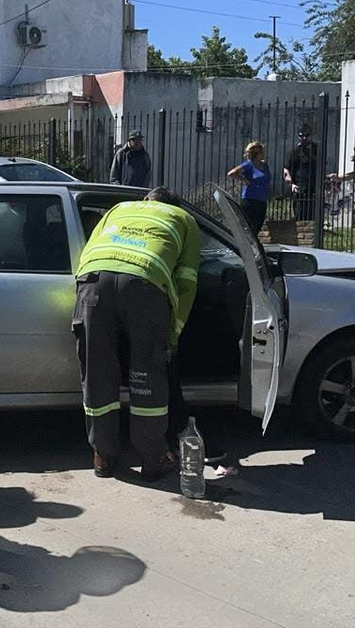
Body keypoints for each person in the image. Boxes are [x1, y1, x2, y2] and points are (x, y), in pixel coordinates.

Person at [72, 186, 201, 482]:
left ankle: (102, 456)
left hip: (94, 281)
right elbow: (187, 282)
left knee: (98, 370)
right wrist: (173, 333)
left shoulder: (119, 209)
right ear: (173, 205)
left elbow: (86, 255)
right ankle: (153, 458)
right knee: (147, 374)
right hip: (145, 284)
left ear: (146, 200)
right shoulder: (184, 218)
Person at [227, 141, 272, 237]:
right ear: (255, 154)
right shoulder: (248, 165)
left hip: (262, 200)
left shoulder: (265, 165)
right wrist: (244, 179)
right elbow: (231, 173)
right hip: (250, 199)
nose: (263, 154)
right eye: (261, 152)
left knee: (258, 224)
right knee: (249, 226)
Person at [283, 125, 317, 221]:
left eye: (307, 135)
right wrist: (292, 184)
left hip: (314, 189)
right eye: (302, 136)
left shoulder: (317, 150)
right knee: (300, 216)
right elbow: (286, 169)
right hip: (300, 188)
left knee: (313, 217)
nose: (304, 138)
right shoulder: (295, 151)